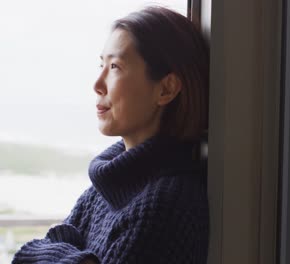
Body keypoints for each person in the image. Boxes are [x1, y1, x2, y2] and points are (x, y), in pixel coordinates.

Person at [12, 6, 209, 264]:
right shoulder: (110, 185)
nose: (97, 83)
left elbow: (46, 248)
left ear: (166, 89)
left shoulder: (165, 206)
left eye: (115, 66)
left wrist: (64, 249)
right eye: (101, 64)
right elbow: (28, 255)